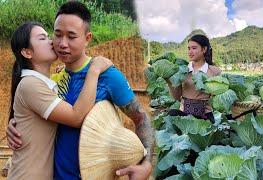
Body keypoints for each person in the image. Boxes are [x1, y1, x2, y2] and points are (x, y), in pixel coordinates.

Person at [7, 2, 154, 180]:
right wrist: (16, 125)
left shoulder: (108, 76)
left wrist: (146, 164)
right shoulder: (54, 80)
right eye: (58, 35)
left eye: (71, 36)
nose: (62, 44)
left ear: (87, 38)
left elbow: (141, 118)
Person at [7, 21, 112, 179]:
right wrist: (94, 71)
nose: (51, 41)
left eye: (49, 36)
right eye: (42, 38)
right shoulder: (31, 85)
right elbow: (76, 117)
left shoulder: (43, 84)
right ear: (27, 52)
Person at [166, 34, 221, 122]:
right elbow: (176, 97)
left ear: (204, 49)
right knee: (171, 113)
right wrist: (169, 81)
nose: (190, 52)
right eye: (189, 48)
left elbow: (217, 100)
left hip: (204, 116)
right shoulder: (182, 70)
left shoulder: (215, 71)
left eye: (194, 48)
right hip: (184, 114)